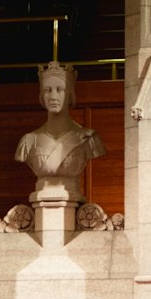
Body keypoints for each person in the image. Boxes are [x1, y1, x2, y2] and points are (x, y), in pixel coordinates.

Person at [15, 62, 106, 198]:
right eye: (47, 90)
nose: (53, 96)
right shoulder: (28, 141)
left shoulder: (88, 138)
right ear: (41, 95)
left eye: (59, 89)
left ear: (70, 94)